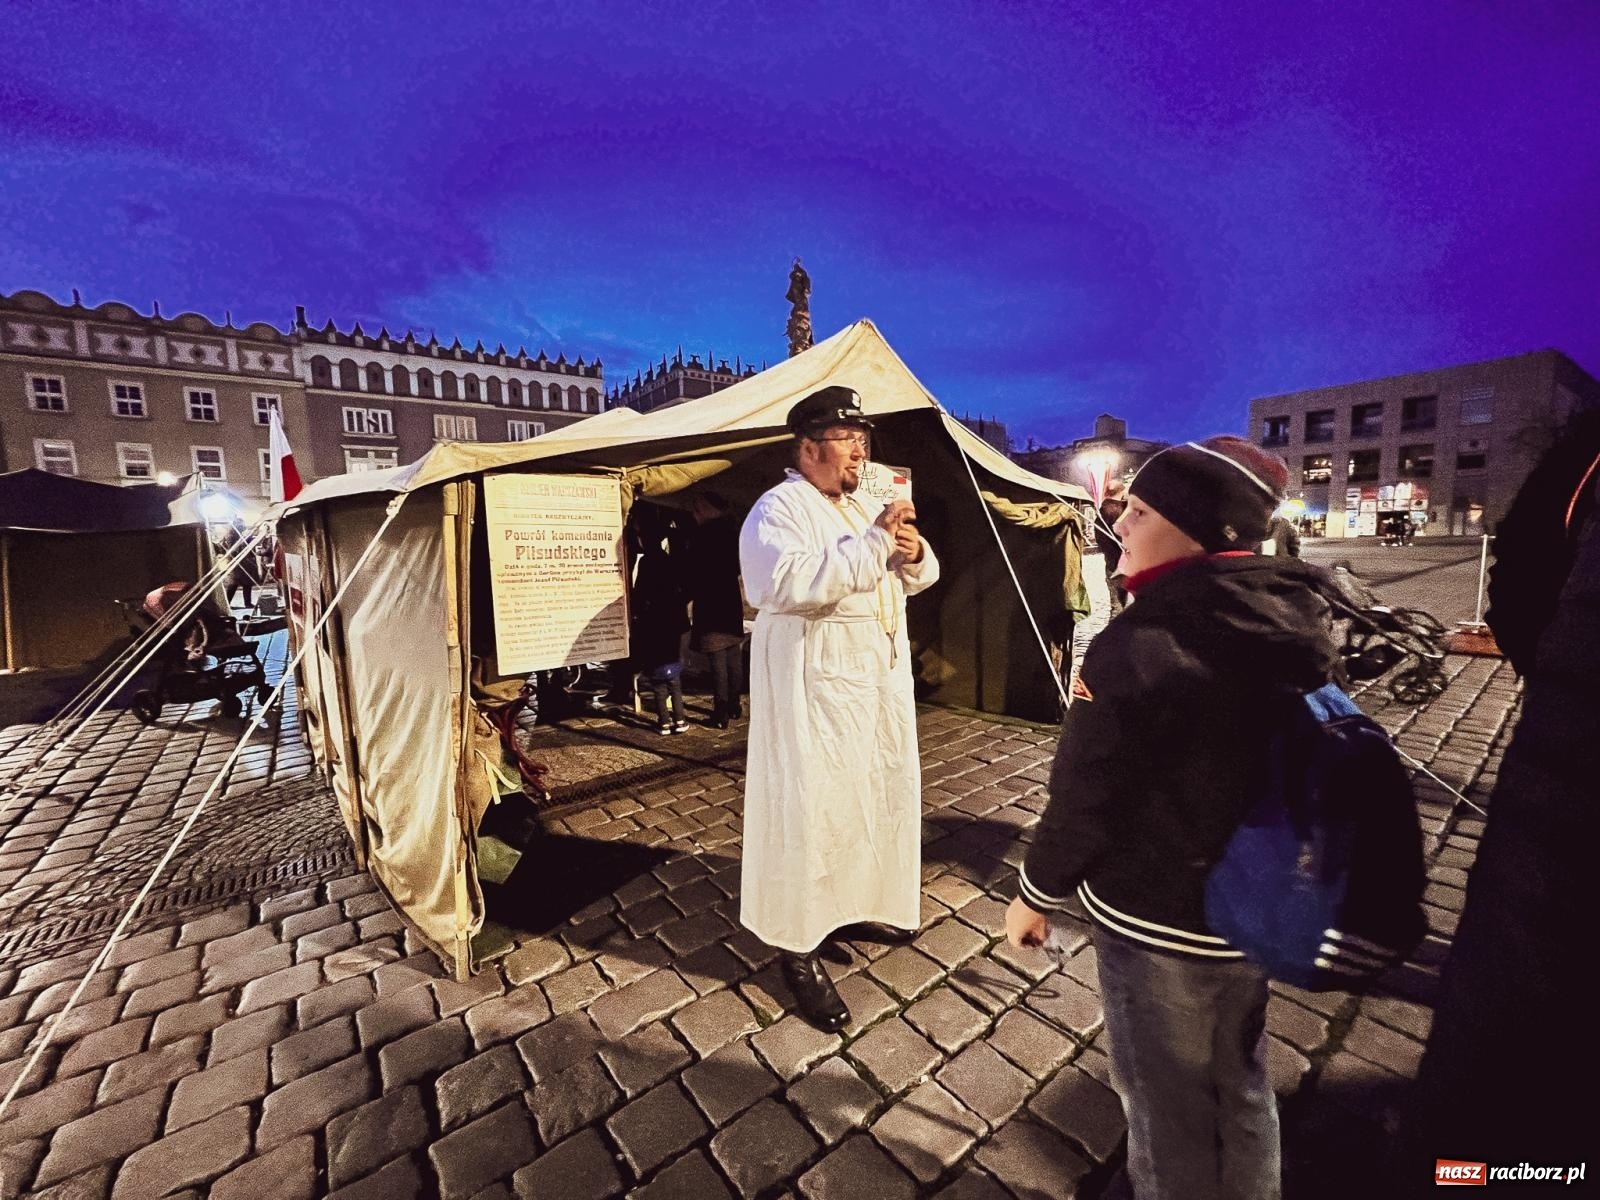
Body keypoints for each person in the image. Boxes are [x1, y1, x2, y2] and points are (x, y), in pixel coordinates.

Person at [1005, 437, 1338, 1200]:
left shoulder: (1137, 643)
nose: (1122, 522)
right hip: (1255, 909)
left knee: (1163, 1107)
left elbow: (1086, 796)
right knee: (1241, 1080)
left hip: (1156, 917)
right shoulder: (1292, 615)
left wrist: (1036, 894)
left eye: (1144, 511)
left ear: (1200, 530)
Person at [739, 385, 940, 1031]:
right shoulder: (779, 508)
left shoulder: (861, 506)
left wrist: (912, 555)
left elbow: (913, 575)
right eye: (848, 442)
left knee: (870, 795)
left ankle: (851, 904)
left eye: (863, 441)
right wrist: (877, 545)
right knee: (811, 809)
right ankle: (796, 949)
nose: (860, 453)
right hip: (815, 690)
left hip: (874, 686)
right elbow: (784, 583)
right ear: (808, 448)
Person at [686, 491, 746, 729]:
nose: (694, 513)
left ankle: (720, 712)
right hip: (729, 602)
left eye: (698, 507)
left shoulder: (703, 536)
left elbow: (693, 572)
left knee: (718, 663)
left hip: (711, 605)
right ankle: (734, 705)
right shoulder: (733, 534)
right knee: (733, 657)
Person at [1098, 480, 1129, 616]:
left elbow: (1100, 538)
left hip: (1111, 561)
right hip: (1124, 561)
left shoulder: (1102, 511)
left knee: (1117, 604)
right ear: (1121, 492)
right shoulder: (1121, 510)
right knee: (1123, 605)